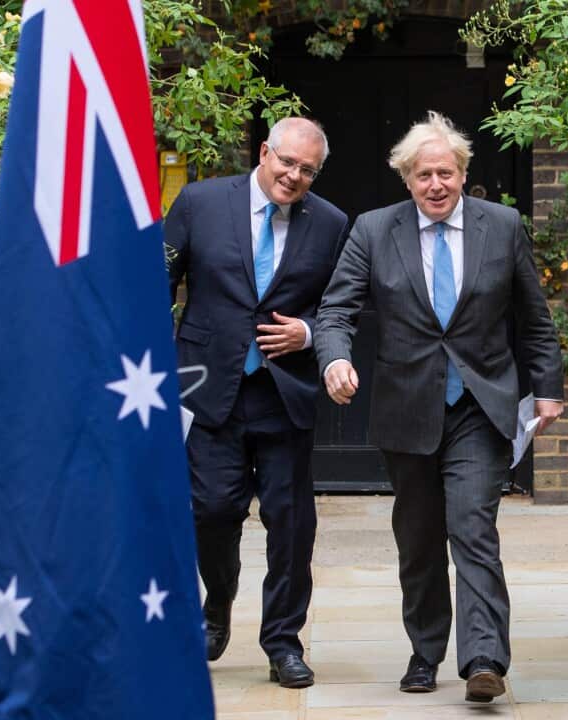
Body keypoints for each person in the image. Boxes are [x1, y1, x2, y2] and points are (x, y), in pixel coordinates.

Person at [314, 111, 564, 704]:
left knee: (472, 526)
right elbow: (336, 310)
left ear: (462, 173)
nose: (435, 184)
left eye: (446, 173)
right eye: (423, 174)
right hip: (407, 409)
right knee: (419, 536)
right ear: (406, 178)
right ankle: (425, 652)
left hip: (480, 405)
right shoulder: (374, 231)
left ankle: (483, 659)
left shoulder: (501, 227)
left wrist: (547, 387)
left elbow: (534, 319)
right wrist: (334, 359)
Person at [164, 117, 348, 689]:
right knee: (211, 511)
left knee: (291, 524)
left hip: (283, 394)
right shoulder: (199, 202)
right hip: (209, 388)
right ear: (264, 152)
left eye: (307, 170)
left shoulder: (332, 224)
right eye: (287, 162)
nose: (294, 176)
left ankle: (283, 644)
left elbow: (345, 305)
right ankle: (217, 602)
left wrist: (310, 333)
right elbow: (154, 281)